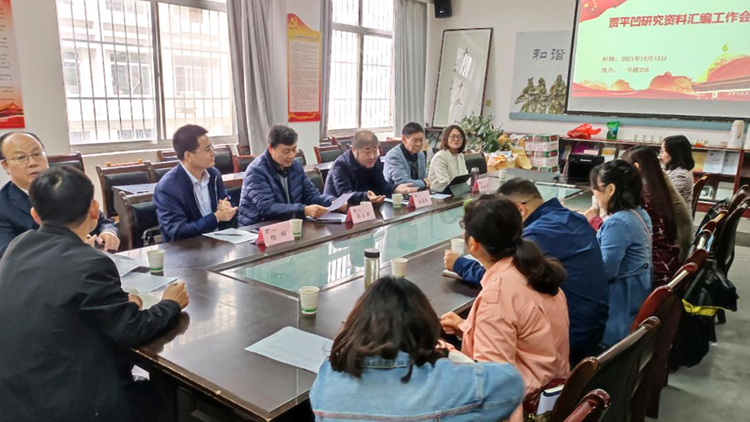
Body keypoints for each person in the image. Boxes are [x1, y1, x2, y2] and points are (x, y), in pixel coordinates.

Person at [0, 166, 189, 422]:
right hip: (69, 407)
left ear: (35, 215)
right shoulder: (90, 262)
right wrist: (170, 303)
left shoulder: (17, 246)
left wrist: (123, 308)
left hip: (14, 398)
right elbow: (132, 331)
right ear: (93, 209)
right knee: (162, 396)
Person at [311, 276, 524, 422]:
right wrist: (453, 356)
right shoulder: (446, 382)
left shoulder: (328, 377)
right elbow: (510, 382)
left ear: (357, 325)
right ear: (423, 325)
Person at [444, 178, 609, 365]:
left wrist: (447, 351)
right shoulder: (573, 219)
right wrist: (468, 328)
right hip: (588, 331)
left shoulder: (502, 288)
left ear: (519, 210)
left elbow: (491, 375)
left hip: (573, 341)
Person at [440, 196, 569, 421]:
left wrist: (444, 351)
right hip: (554, 396)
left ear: (473, 244)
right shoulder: (534, 270)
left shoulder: (497, 296)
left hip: (527, 408)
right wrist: (468, 328)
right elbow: (528, 336)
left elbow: (495, 390)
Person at [0, 131, 119, 257]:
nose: (32, 163)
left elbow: (102, 221)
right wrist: (72, 247)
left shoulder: (66, 185)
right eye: (21, 158)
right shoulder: (3, 206)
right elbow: (8, 255)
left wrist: (108, 232)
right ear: (5, 165)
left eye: (37, 154)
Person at [583, 160, 652, 348]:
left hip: (619, 309)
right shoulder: (639, 213)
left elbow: (605, 272)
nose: (594, 194)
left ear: (611, 189)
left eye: (596, 188)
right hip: (636, 296)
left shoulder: (618, 222)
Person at [239, 125, 345, 226]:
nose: (291, 155)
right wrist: (303, 210)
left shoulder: (295, 166)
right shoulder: (256, 171)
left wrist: (332, 202)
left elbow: (312, 196)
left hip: (289, 222)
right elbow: (267, 208)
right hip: (258, 227)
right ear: (271, 149)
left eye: (294, 150)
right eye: (286, 151)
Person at [154, 125, 237, 242]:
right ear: (188, 156)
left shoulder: (214, 175)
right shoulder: (167, 188)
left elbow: (225, 206)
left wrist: (228, 209)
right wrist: (216, 217)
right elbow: (177, 232)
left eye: (212, 147)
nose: (213, 153)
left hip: (217, 243)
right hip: (186, 250)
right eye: (207, 149)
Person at [623, 146, 684, 285]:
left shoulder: (642, 196)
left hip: (654, 268)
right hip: (667, 258)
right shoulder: (656, 187)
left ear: (636, 167)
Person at [324, 130, 417, 205]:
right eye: (367, 152)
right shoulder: (341, 165)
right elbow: (345, 195)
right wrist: (366, 196)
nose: (372, 156)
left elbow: (382, 186)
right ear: (354, 150)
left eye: (375, 151)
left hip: (366, 207)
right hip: (338, 212)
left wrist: (395, 189)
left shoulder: (375, 161)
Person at [383, 122, 430, 190]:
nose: (419, 144)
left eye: (421, 140)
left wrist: (425, 182)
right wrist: (424, 183)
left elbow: (424, 178)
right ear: (404, 139)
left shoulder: (421, 155)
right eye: (415, 140)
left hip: (418, 194)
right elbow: (403, 184)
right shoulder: (394, 156)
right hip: (397, 195)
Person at [428, 125, 469, 193]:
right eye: (452, 136)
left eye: (459, 137)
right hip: (441, 193)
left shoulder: (460, 155)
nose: (456, 139)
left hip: (457, 191)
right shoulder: (440, 157)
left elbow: (464, 176)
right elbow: (445, 182)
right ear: (446, 138)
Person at [660, 135, 695, 208]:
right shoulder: (672, 167)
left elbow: (663, 196)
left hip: (675, 213)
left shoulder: (680, 174)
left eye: (663, 151)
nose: (660, 155)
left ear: (674, 153)